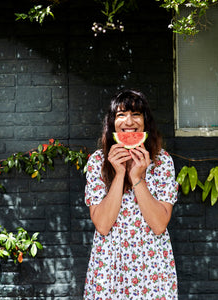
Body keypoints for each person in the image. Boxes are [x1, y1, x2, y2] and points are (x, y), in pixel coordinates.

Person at [83, 89, 178, 299]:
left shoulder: (162, 162)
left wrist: (137, 178)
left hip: (152, 267)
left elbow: (159, 224)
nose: (129, 121)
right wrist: (119, 175)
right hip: (108, 266)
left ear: (146, 123)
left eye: (136, 114)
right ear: (111, 123)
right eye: (121, 114)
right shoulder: (98, 162)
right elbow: (102, 224)